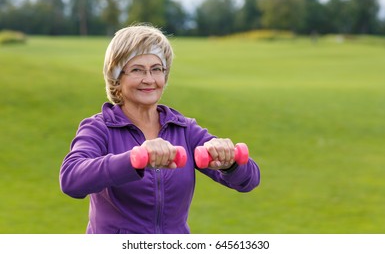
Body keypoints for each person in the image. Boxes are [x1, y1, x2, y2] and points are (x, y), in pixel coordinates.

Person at [59, 24, 260, 234]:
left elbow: (249, 180)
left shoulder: (184, 129)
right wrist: (135, 158)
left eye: (156, 69)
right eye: (137, 69)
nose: (149, 79)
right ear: (117, 78)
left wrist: (229, 163)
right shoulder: (99, 128)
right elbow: (71, 179)